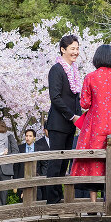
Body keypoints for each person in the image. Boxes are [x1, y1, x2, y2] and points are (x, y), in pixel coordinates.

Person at [70, 44, 111, 204]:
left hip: (95, 125)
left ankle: (93, 204)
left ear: (97, 58)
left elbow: (84, 103)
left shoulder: (90, 77)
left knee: (94, 162)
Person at [45, 35, 83, 204]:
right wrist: (72, 115)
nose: (75, 52)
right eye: (72, 48)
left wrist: (80, 115)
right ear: (63, 49)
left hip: (70, 124)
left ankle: (59, 196)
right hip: (58, 123)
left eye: (77, 48)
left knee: (64, 163)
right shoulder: (56, 69)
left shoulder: (74, 71)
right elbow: (56, 97)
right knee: (55, 161)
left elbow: (75, 97)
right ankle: (52, 200)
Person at [15, 128, 49, 201]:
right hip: (22, 178)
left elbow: (44, 165)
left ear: (34, 138)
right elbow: (16, 166)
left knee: (37, 200)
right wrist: (15, 181)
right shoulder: (20, 148)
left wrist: (41, 176)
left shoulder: (40, 148)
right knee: (23, 201)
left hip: (36, 178)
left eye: (30, 136)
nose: (28, 138)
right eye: (26, 136)